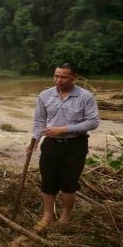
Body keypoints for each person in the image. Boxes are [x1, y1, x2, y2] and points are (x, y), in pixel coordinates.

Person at [29, 63, 99, 230]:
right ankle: (47, 216)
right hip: (51, 144)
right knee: (48, 181)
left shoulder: (85, 96)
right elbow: (39, 121)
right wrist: (34, 141)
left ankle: (65, 216)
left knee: (68, 183)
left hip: (75, 145)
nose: (58, 80)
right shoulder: (45, 95)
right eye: (56, 76)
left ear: (74, 77)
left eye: (63, 77)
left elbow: (93, 122)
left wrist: (64, 129)